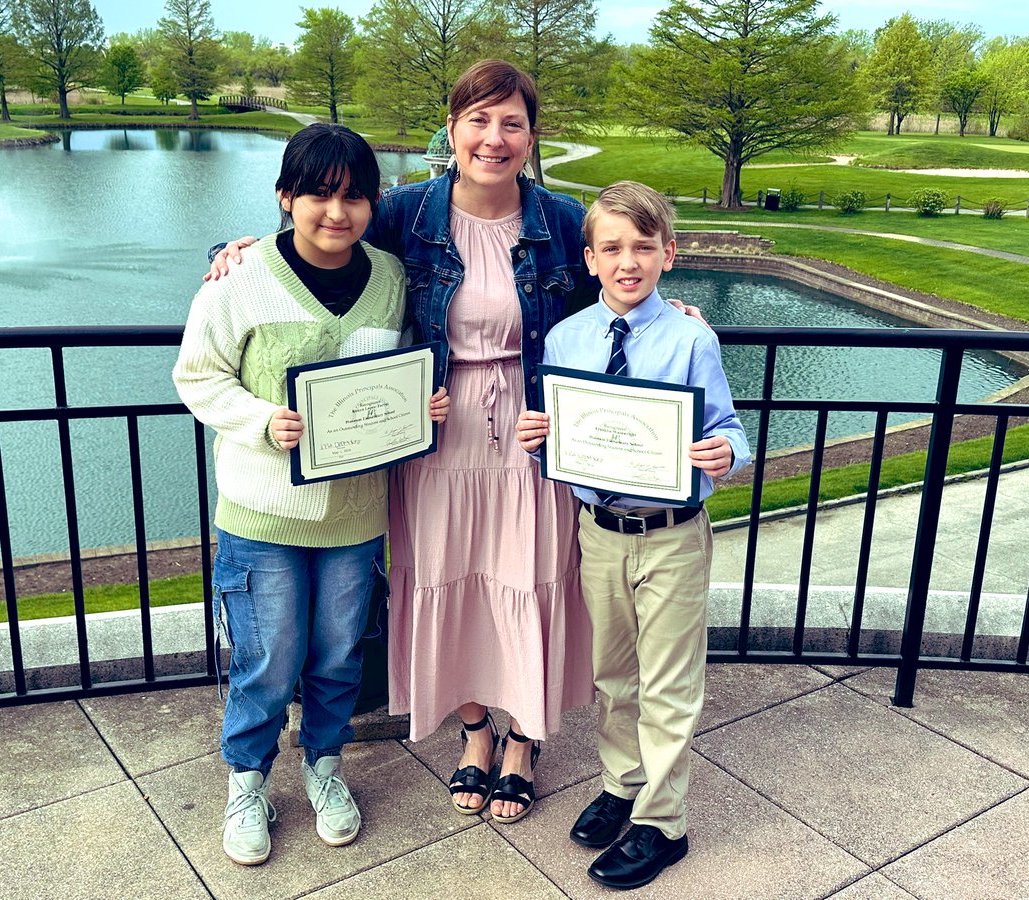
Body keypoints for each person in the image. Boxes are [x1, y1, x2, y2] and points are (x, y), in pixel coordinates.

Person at [204, 60, 732, 825]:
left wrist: (670, 307)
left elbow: (621, 278)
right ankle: (477, 732)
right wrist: (239, 248)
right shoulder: (405, 214)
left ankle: (523, 740)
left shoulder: (560, 219)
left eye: (511, 122)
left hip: (533, 440)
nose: (494, 138)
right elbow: (321, 235)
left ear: (531, 134)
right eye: (478, 121)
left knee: (528, 582)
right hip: (437, 444)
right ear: (450, 131)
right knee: (455, 584)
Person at [173, 123, 449, 866]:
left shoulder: (391, 279)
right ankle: (247, 779)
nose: (338, 212)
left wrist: (417, 408)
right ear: (285, 197)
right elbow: (197, 376)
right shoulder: (242, 279)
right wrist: (265, 422)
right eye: (319, 195)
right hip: (264, 514)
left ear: (374, 202)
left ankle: (324, 767)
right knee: (268, 656)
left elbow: (394, 378)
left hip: (356, 517)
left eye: (355, 196)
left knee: (335, 656)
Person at [515, 181, 750, 889]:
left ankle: (662, 823)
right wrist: (538, 441)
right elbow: (564, 435)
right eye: (612, 248)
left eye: (643, 247)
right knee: (614, 676)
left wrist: (725, 455)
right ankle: (623, 784)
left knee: (669, 683)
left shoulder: (690, 337)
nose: (628, 261)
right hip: (600, 532)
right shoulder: (567, 338)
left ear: (668, 254)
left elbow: (730, 431)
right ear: (589, 259)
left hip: (672, 534)